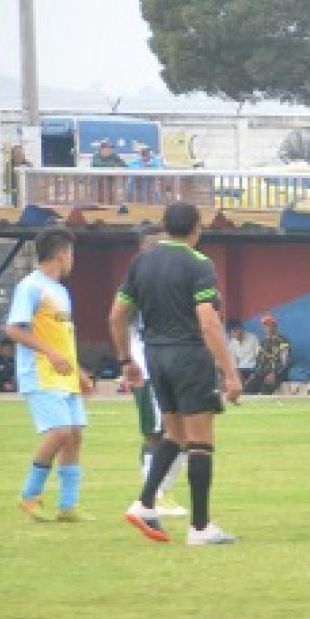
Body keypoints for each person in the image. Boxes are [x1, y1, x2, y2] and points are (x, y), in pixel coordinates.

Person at [110, 201, 243, 545]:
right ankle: (200, 527)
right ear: (197, 228)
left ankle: (144, 503)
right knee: (200, 442)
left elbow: (117, 315)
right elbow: (208, 320)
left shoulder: (141, 262)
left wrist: (126, 361)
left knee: (176, 434)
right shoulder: (199, 263)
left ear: (164, 225)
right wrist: (230, 371)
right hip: (189, 356)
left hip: (155, 356)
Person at [8, 226, 93, 523]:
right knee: (59, 432)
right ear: (62, 254)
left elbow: (62, 338)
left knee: (74, 435)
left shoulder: (61, 291)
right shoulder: (31, 287)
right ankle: (30, 496)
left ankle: (68, 506)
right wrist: (50, 354)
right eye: (71, 253)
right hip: (41, 373)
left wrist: (79, 372)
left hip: (64, 376)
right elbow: (13, 329)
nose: (73, 260)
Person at [128, 226, 187, 518]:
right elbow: (121, 320)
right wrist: (129, 362)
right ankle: (154, 496)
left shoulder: (164, 281)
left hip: (171, 364)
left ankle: (162, 492)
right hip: (148, 368)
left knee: (180, 433)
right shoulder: (137, 281)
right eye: (155, 245)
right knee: (155, 433)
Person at [244, 314, 291, 395]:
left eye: (269, 325)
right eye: (265, 326)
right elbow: (259, 360)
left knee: (265, 391)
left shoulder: (283, 341)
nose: (267, 328)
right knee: (247, 389)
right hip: (262, 372)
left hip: (278, 374)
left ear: (275, 326)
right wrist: (253, 374)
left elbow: (284, 362)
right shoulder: (263, 342)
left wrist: (274, 373)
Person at [226, 319, 259, 384]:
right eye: (232, 332)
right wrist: (236, 373)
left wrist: (256, 371)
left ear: (241, 329)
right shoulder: (232, 342)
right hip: (240, 369)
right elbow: (233, 360)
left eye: (235, 331)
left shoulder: (252, 338)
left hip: (252, 368)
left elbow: (258, 355)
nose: (233, 334)